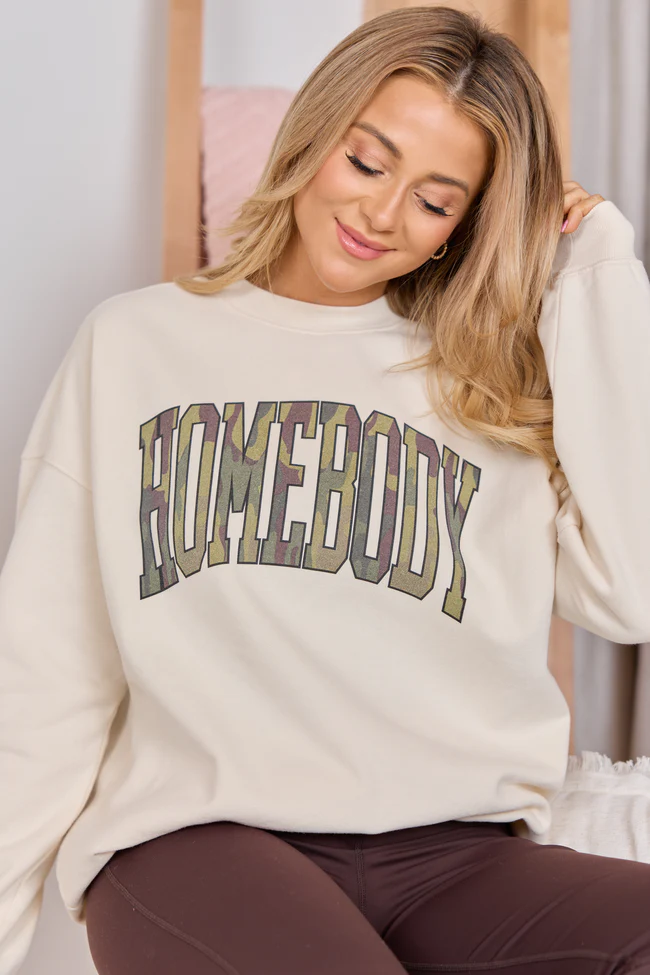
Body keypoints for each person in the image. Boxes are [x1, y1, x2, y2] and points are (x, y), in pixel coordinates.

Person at [1, 5, 650, 974]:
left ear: (463, 227)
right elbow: (50, 666)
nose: (381, 214)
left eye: (435, 201)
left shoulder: (490, 380)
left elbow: (628, 591)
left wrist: (597, 269)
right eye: (366, 162)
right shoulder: (136, 345)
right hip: (199, 842)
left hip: (455, 854)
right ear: (315, 134)